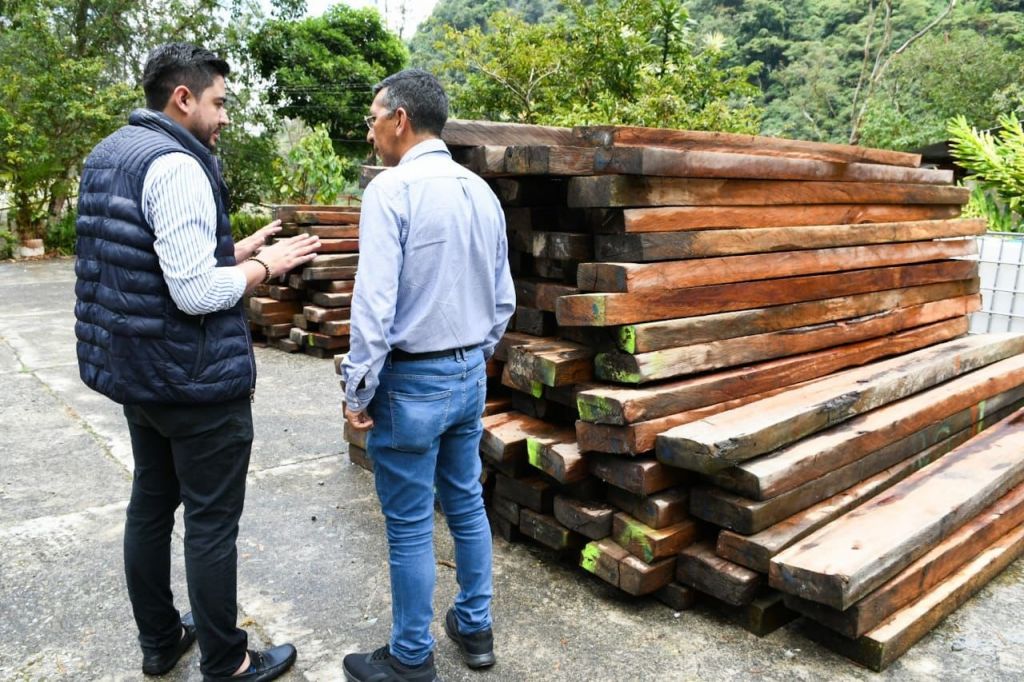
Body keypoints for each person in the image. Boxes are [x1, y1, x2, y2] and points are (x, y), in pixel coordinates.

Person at [74, 43, 320, 681]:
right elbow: (193, 291)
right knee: (211, 525)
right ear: (182, 98)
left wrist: (238, 245)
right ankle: (228, 662)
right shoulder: (177, 165)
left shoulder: (109, 155)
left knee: (151, 506)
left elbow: (147, 263)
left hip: (139, 376)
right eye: (219, 103)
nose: (225, 118)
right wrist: (267, 266)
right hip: (195, 383)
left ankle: (160, 641)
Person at [340, 68, 515, 682]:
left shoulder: (393, 191)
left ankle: (411, 658)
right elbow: (502, 300)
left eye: (372, 119)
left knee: (411, 522)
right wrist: (472, 356)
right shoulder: (480, 191)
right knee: (466, 502)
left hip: (412, 382)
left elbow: (374, 305)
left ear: (400, 119)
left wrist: (358, 387)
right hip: (469, 373)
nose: (370, 133)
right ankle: (474, 625)